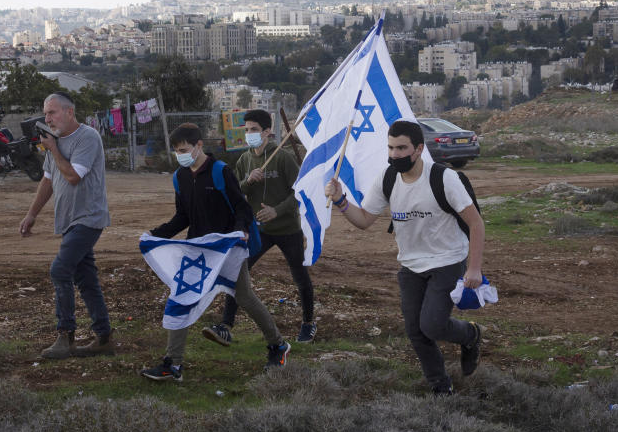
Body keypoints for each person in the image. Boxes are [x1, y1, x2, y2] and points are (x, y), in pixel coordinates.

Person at [324, 119, 484, 395]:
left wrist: (474, 269)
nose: (395, 154)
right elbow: (363, 220)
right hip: (410, 265)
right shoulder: (387, 178)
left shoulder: (444, 178)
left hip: (447, 261)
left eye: (401, 148)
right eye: (390, 148)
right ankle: (440, 386)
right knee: (415, 331)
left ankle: (471, 335)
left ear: (419, 148)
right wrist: (340, 201)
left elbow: (476, 224)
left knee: (432, 325)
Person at [141, 122, 290, 382]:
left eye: (184, 149)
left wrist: (241, 230)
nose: (181, 155)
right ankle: (173, 364)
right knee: (182, 297)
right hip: (198, 251)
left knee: (244, 297)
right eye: (176, 151)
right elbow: (183, 217)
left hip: (226, 250)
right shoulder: (180, 177)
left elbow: (240, 207)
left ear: (199, 146)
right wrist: (155, 234)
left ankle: (278, 345)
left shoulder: (220, 171)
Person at [203, 109, 316, 347]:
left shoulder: (282, 157)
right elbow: (234, 193)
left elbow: (301, 191)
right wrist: (247, 180)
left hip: (287, 229)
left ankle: (308, 323)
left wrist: (277, 210)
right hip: (258, 231)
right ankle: (226, 326)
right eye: (247, 130)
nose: (249, 134)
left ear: (267, 132)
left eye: (254, 130)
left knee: (300, 276)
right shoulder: (245, 160)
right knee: (238, 273)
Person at [19, 92, 113, 359]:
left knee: (60, 269)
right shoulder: (55, 142)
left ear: (69, 112)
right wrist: (31, 214)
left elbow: (72, 176)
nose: (48, 119)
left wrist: (54, 149)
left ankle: (65, 336)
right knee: (86, 279)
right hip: (69, 220)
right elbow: (48, 180)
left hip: (89, 218)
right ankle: (104, 337)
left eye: (53, 113)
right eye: (46, 113)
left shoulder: (87, 138)